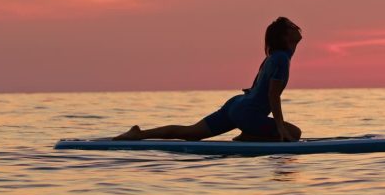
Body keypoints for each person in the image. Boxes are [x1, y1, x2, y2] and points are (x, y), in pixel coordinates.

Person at [113, 17, 303, 142]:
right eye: (292, 27)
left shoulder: (272, 58)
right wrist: (280, 129)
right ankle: (247, 136)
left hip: (236, 105)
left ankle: (139, 134)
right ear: (285, 36)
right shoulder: (281, 59)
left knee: (191, 133)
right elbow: (273, 96)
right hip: (247, 113)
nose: (297, 28)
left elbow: (257, 89)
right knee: (295, 134)